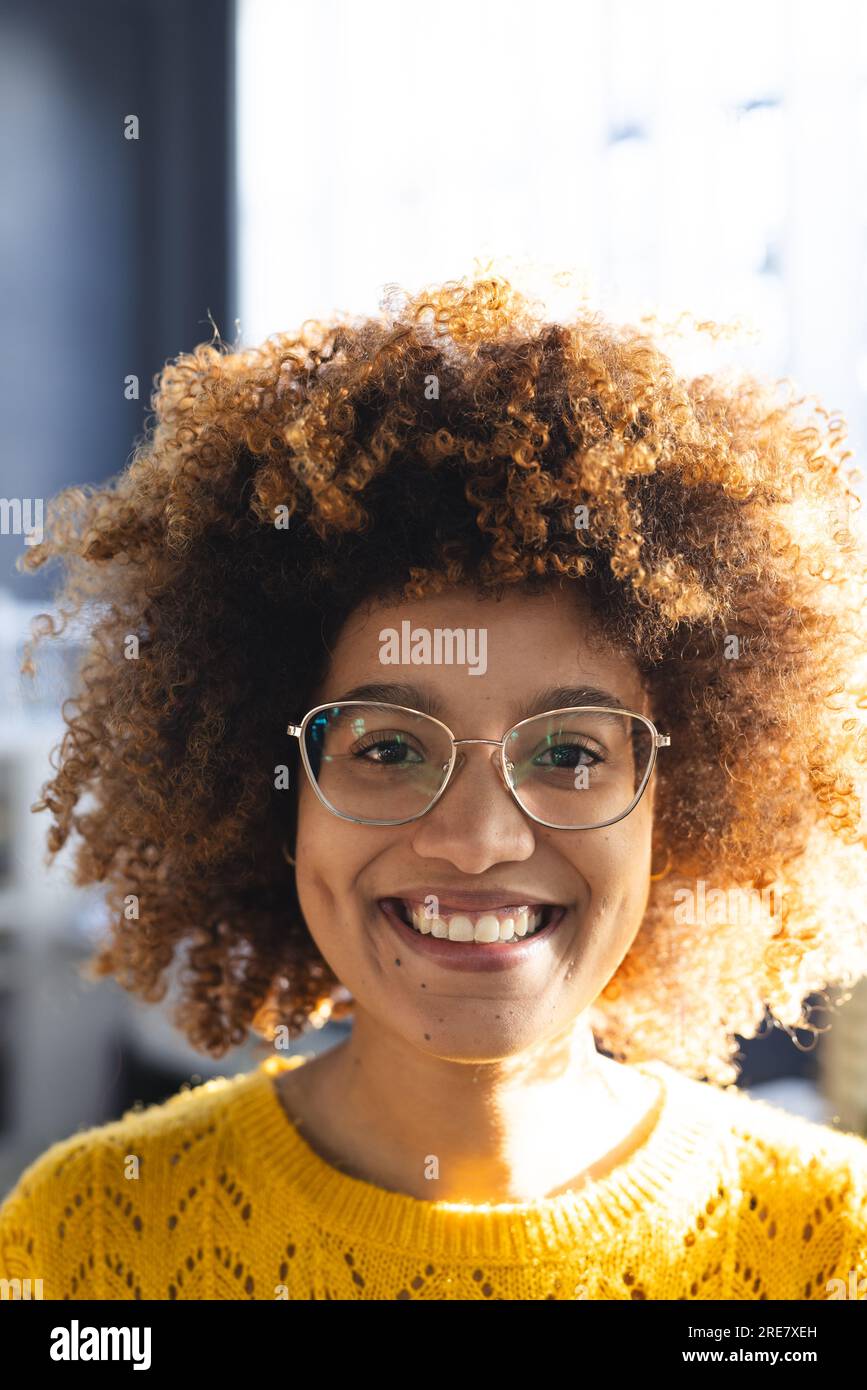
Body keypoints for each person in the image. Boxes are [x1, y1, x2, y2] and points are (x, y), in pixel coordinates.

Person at [1, 272, 866, 1301]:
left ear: (677, 804)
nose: (476, 838)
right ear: (278, 798)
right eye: (390, 747)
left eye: (571, 753)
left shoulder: (829, 1246)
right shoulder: (90, 1243)